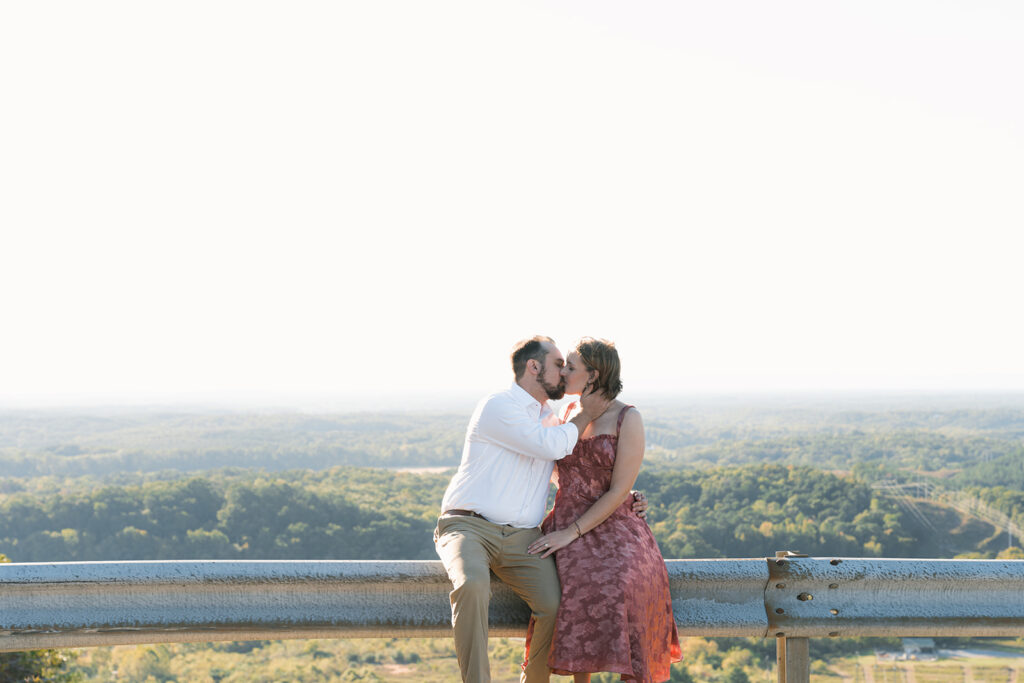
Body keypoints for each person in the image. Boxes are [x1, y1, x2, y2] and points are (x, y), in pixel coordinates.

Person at [435, 336, 646, 683]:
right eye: (558, 365)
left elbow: (575, 472)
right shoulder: (499, 406)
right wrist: (585, 415)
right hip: (469, 527)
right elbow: (549, 446)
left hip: (523, 538)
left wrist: (624, 493)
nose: (564, 373)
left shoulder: (550, 418)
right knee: (472, 585)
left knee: (556, 605)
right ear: (534, 367)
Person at [526, 337, 681, 683]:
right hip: (564, 518)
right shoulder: (567, 414)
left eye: (570, 367)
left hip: (613, 523)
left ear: (593, 375)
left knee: (616, 583)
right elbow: (550, 469)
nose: (563, 372)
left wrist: (572, 532)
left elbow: (618, 489)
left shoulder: (628, 417)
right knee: (569, 583)